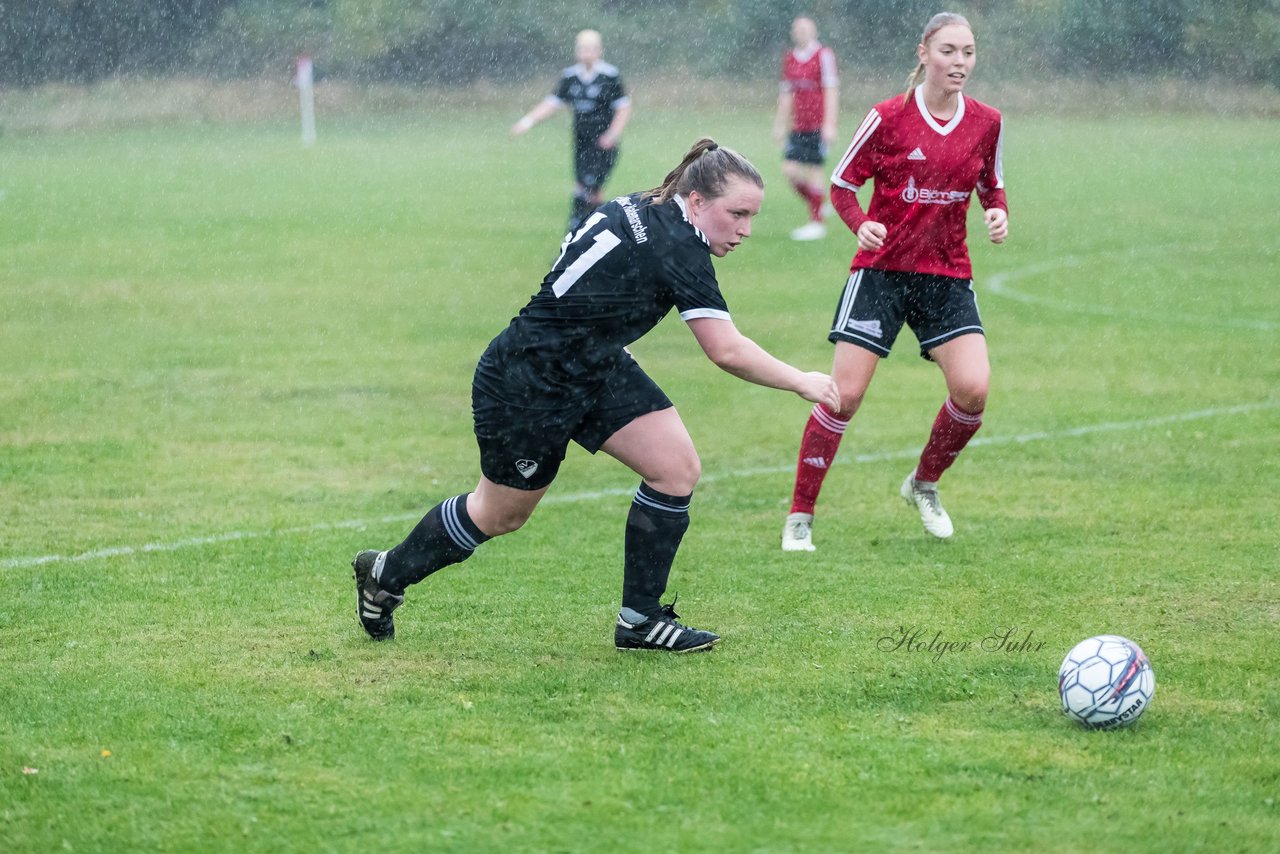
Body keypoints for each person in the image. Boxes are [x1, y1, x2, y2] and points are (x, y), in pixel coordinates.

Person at [353, 139, 840, 652]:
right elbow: (726, 351)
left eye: (752, 217)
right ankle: (386, 573)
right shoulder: (678, 247)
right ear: (696, 200)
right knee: (500, 515)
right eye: (737, 214)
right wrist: (800, 380)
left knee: (675, 468)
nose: (745, 230)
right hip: (530, 379)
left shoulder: (641, 204)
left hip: (594, 364)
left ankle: (640, 620)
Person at [780, 12, 1008, 552]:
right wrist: (862, 225)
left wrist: (997, 212)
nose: (960, 62)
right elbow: (841, 186)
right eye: (949, 50)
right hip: (881, 273)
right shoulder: (887, 117)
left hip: (947, 275)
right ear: (924, 52)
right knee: (845, 396)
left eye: (969, 52)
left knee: (973, 390)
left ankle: (923, 484)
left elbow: (991, 186)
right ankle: (800, 516)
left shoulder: (987, 121)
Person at [511, 29, 632, 233]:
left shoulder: (609, 76)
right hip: (581, 142)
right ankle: (597, 233)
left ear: (600, 50)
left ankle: (578, 233)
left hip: (603, 144)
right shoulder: (570, 76)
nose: (587, 52)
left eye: (592, 48)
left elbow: (623, 107)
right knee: (587, 190)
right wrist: (527, 122)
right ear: (577, 50)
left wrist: (612, 134)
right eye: (583, 48)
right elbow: (551, 104)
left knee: (588, 190)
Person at [772, 15, 839, 242]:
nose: (801, 33)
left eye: (805, 29)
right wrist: (780, 124)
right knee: (789, 170)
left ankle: (816, 223)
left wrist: (830, 124)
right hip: (798, 126)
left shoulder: (823, 55)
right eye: (797, 29)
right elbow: (787, 94)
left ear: (813, 31)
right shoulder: (790, 58)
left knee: (814, 171)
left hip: (817, 125)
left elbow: (831, 90)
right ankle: (817, 204)